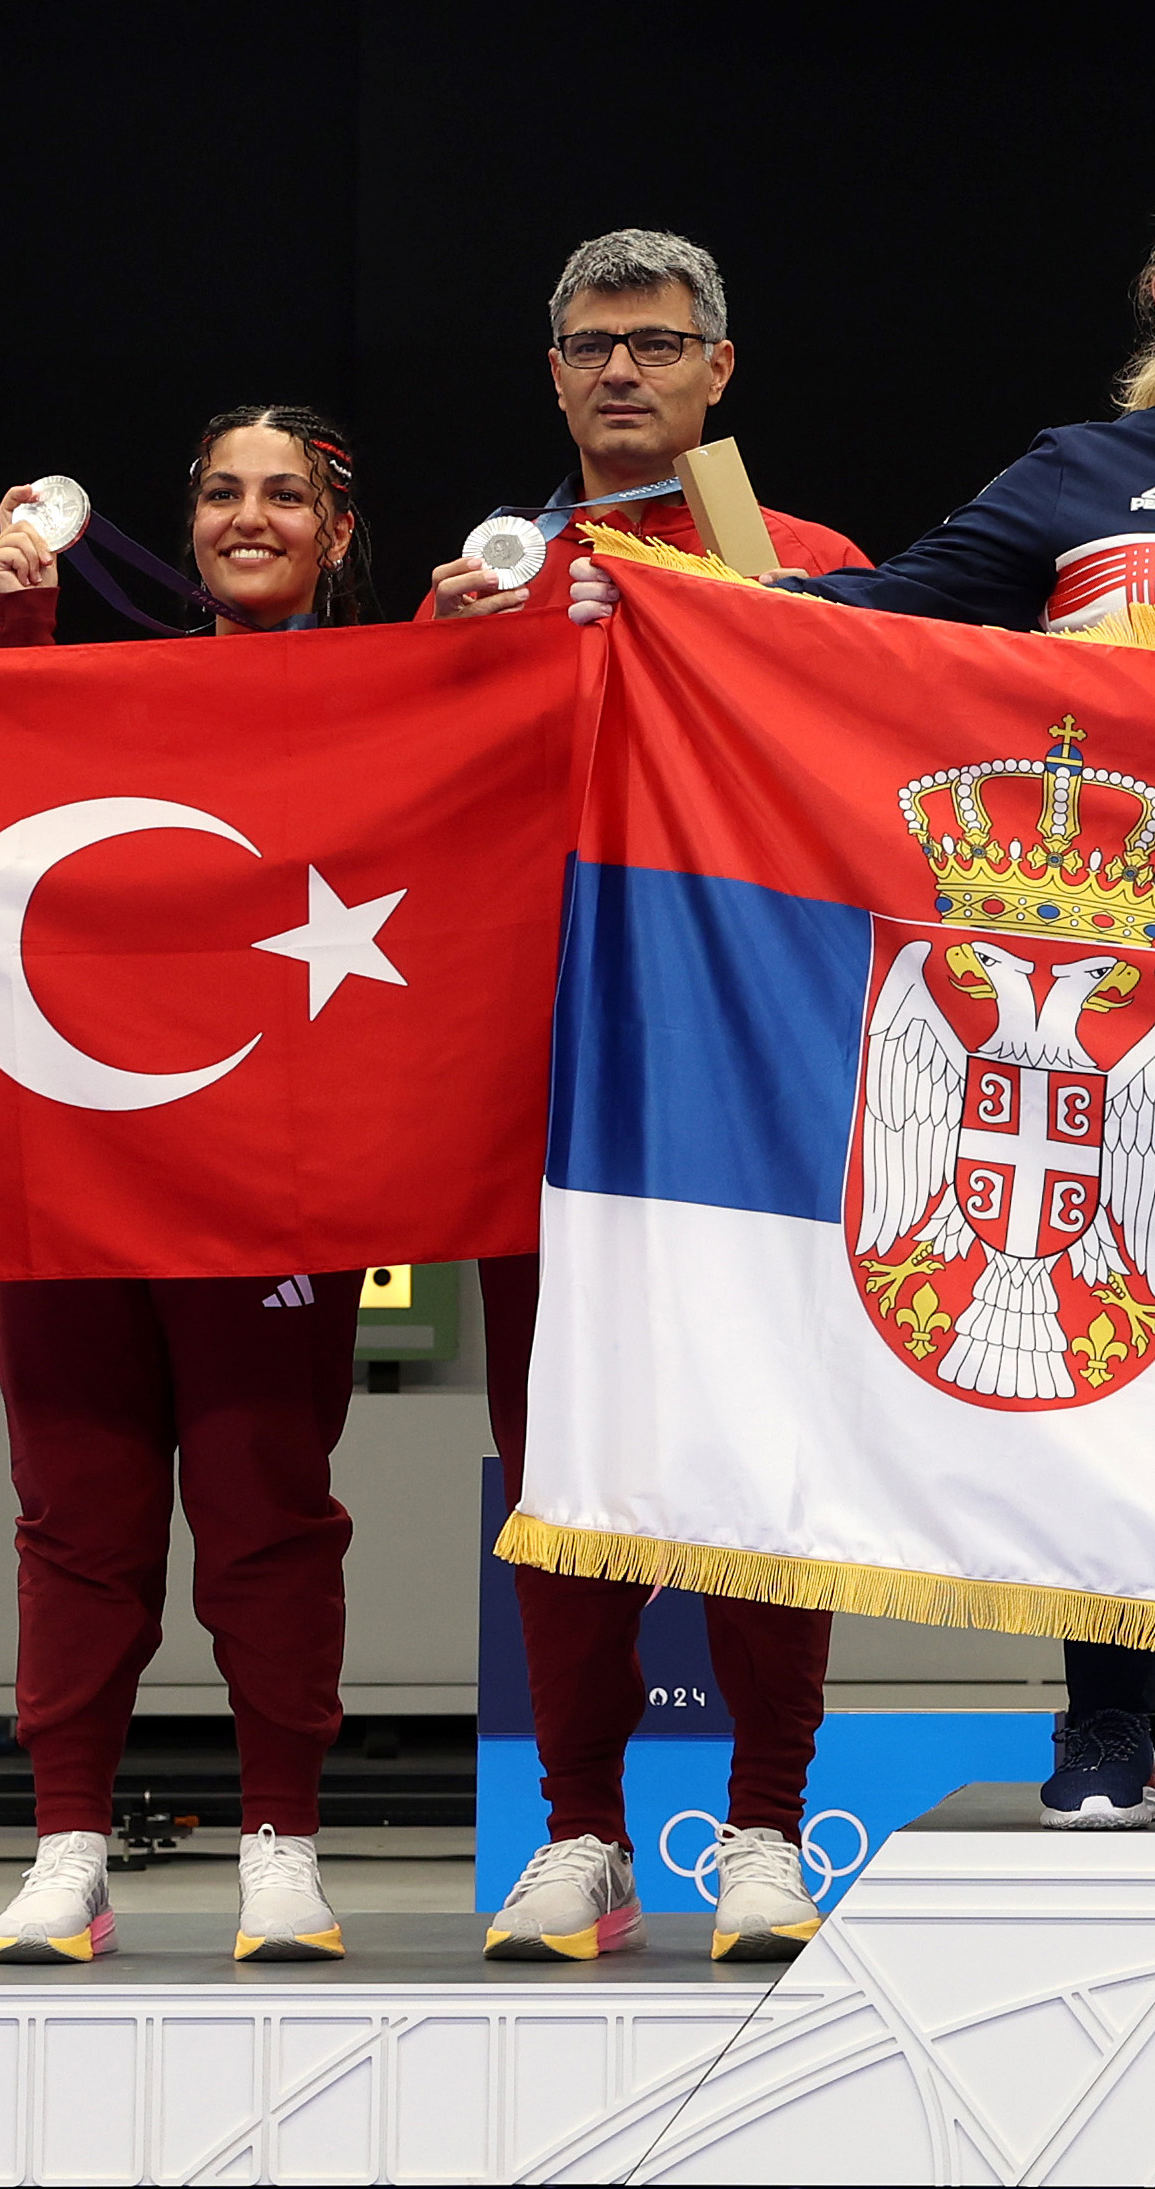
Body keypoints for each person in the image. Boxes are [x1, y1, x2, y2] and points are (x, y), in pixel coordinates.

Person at [568, 178, 1155, 1833]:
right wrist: (688, 605)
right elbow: (902, 608)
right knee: (1122, 1344)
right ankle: (1106, 1725)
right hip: (1138, 994)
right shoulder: (1081, 475)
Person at [0, 407, 376, 1964]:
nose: (249, 517)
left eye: (284, 495)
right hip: (73, 1165)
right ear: (186, 517)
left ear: (336, 530)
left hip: (270, 1185)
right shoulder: (102, 681)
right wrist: (21, 612)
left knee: (266, 1518)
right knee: (76, 1518)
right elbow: (2, 795)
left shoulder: (390, 699)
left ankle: (281, 1844)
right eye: (223, 493)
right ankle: (68, 1846)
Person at [452, 231, 872, 1963]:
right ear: (552, 374)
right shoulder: (480, 579)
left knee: (766, 1453)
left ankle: (765, 1820)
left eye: (658, 342)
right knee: (565, 1458)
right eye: (591, 344)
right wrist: (453, 665)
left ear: (720, 370)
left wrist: (790, 641)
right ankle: (581, 1835)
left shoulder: (816, 560)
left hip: (761, 1096)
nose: (622, 370)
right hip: (549, 1095)